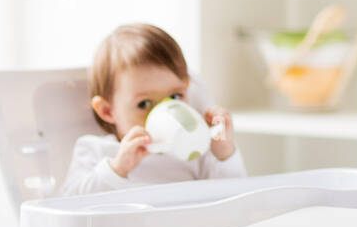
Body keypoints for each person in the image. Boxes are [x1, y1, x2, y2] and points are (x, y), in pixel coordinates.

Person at [60, 22, 245, 196]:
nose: (167, 110)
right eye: (144, 104)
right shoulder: (97, 151)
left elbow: (235, 198)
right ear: (108, 111)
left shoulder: (195, 152)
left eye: (175, 97)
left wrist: (224, 152)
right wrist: (117, 169)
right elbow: (68, 204)